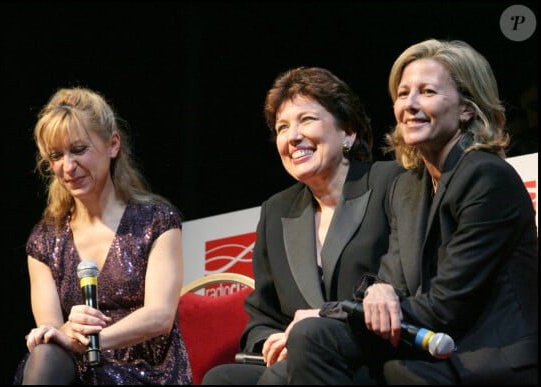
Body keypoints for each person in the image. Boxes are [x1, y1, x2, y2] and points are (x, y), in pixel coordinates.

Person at [295, 39, 538, 384]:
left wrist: (330, 312)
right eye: (402, 93)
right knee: (313, 341)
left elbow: (446, 304)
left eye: (426, 92)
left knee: (338, 342)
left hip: (489, 357)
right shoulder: (409, 187)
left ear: (466, 109)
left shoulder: (486, 177)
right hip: (435, 350)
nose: (409, 105)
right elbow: (393, 279)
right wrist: (380, 291)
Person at [201, 66, 404, 384]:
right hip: (300, 361)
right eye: (282, 127)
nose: (292, 137)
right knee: (222, 378)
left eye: (307, 120)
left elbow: (404, 278)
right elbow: (262, 314)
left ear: (347, 131)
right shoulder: (276, 210)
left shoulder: (389, 182)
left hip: (372, 353)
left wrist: (312, 329)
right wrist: (271, 341)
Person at [13, 87, 192, 384]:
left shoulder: (156, 220)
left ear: (113, 145)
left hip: (145, 371)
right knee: (44, 355)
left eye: (79, 150)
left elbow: (160, 316)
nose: (68, 167)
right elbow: (53, 330)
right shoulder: (45, 240)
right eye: (57, 156)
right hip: (75, 369)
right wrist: (67, 331)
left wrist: (93, 341)